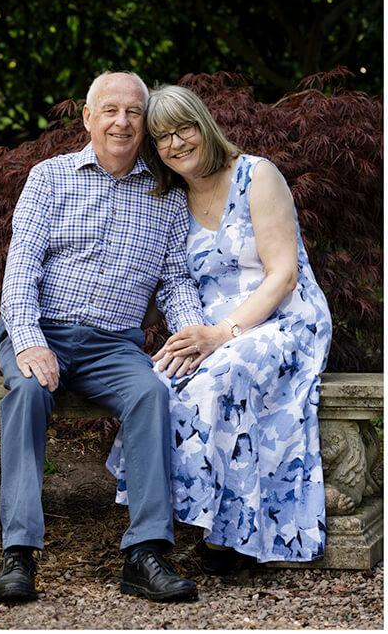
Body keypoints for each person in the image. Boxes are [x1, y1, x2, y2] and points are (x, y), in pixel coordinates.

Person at [0, 71, 206, 604]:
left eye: (134, 111)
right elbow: (20, 271)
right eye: (109, 110)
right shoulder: (49, 177)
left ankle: (146, 552)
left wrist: (192, 336)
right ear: (88, 117)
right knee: (28, 392)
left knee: (152, 393)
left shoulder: (166, 195)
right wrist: (29, 340)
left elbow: (176, 279)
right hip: (45, 328)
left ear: (145, 121)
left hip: (115, 345)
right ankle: (17, 553)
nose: (122, 121)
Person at [106, 84, 331, 573]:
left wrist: (223, 334)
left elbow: (283, 275)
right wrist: (195, 335)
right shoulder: (168, 203)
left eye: (184, 128)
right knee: (156, 384)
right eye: (162, 136)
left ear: (204, 126)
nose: (176, 143)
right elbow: (172, 286)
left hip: (283, 318)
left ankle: (231, 536)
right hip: (211, 328)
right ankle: (157, 533)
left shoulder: (257, 175)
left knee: (222, 374)